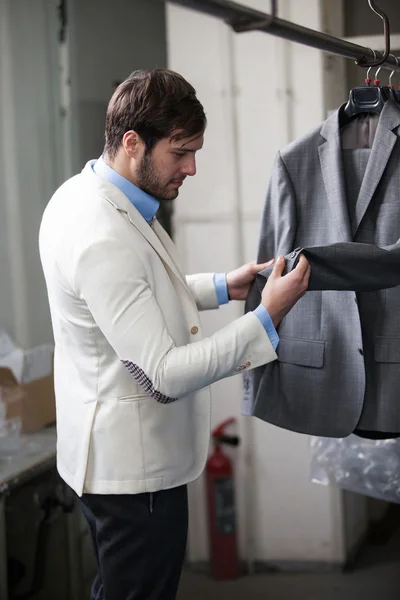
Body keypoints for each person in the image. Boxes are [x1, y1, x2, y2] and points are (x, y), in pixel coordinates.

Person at [39, 68, 310, 600]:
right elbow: (163, 374)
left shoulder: (87, 193)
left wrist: (219, 287)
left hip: (114, 459)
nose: (191, 168)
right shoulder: (101, 232)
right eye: (180, 152)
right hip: (133, 474)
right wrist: (265, 319)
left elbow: (125, 296)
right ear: (133, 142)